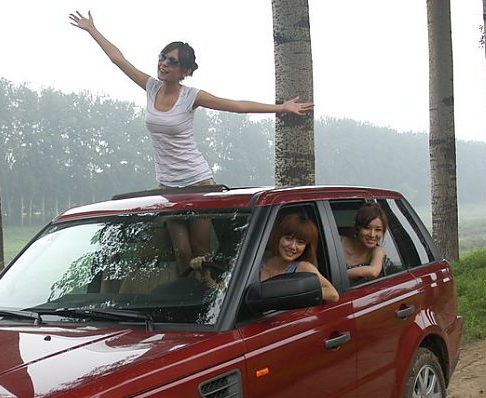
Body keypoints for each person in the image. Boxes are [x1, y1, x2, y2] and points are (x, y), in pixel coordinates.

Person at [69, 10, 314, 278]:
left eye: (171, 61)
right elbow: (118, 59)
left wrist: (282, 107)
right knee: (182, 253)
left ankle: (211, 295)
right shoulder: (151, 87)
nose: (163, 63)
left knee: (200, 250)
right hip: (168, 185)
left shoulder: (191, 96)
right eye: (162, 57)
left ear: (185, 71)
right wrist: (92, 29)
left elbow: (237, 106)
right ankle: (190, 297)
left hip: (198, 182)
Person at [260, 212, 339, 303]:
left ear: (306, 247)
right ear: (278, 238)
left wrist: (295, 293)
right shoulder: (256, 265)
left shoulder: (303, 267)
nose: (293, 246)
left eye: (300, 242)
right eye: (288, 238)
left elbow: (333, 294)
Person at [340, 201, 388, 280]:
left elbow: (373, 272)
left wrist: (340, 275)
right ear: (357, 227)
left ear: (383, 232)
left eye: (378, 230)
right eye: (367, 228)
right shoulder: (337, 242)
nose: (372, 235)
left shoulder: (377, 251)